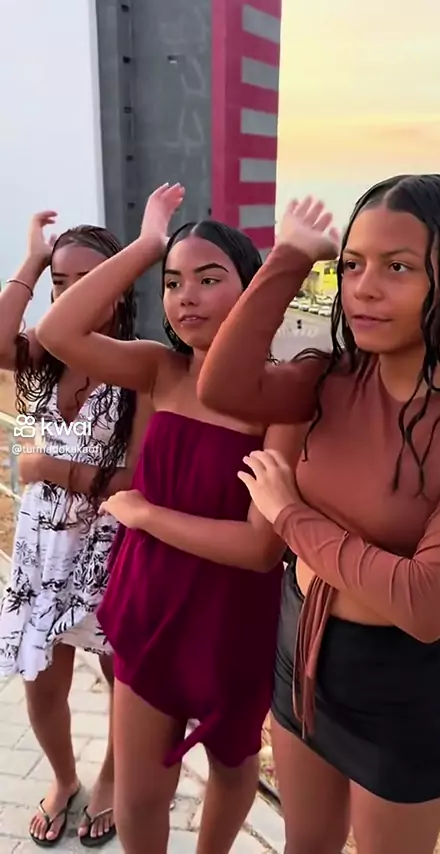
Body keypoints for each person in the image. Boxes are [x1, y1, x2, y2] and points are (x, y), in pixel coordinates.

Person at [197, 176, 440, 854]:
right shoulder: (334, 378)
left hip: (401, 696)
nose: (364, 289)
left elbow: (426, 603)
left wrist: (290, 516)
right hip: (300, 651)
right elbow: (223, 386)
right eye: (352, 265)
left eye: (398, 268)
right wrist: (291, 257)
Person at [35, 183, 301, 854]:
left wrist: (147, 515)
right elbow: (58, 332)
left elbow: (260, 547)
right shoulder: (160, 369)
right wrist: (147, 244)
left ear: (252, 291)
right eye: (173, 282)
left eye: (209, 279)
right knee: (138, 798)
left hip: (230, 624)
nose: (186, 297)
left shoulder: (282, 397)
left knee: (232, 765)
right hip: (147, 609)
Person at [0, 214, 150, 847]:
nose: (72, 293)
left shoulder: (141, 367)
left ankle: (112, 778)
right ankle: (64, 778)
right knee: (40, 683)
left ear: (119, 285)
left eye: (89, 279)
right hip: (39, 547)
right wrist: (32, 262)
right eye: (61, 282)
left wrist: (46, 468)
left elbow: (135, 481)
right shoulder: (46, 352)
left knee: (120, 680)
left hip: (107, 549)